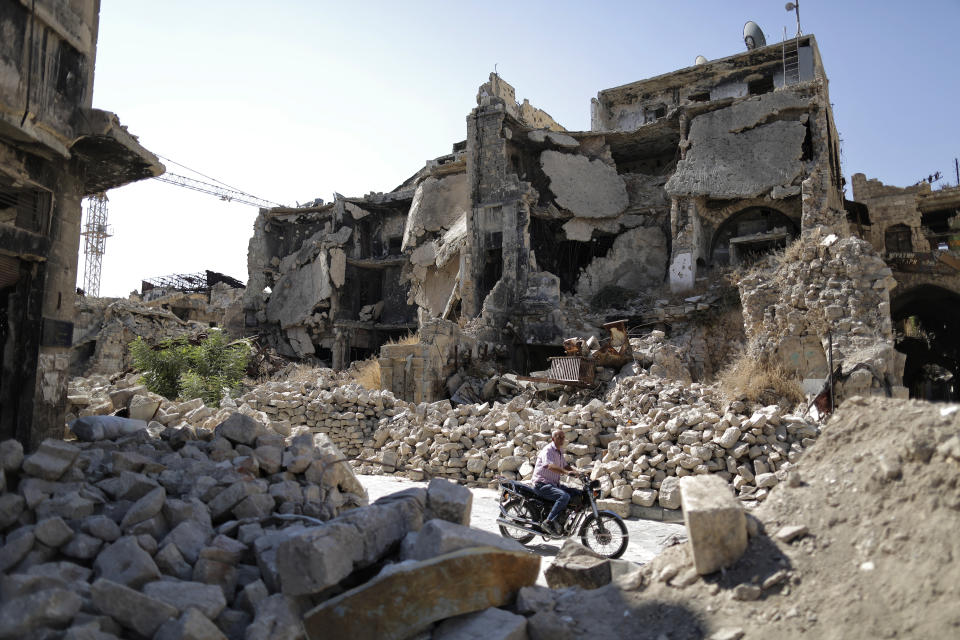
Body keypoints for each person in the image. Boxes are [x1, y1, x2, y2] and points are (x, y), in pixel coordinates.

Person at [532, 429, 578, 535]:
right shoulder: (548, 450)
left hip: (553, 484)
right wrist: (567, 473)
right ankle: (548, 522)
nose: (562, 439)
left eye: (563, 437)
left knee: (576, 492)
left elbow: (565, 465)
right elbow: (550, 466)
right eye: (559, 437)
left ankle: (561, 519)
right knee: (564, 496)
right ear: (553, 438)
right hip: (541, 484)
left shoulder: (559, 451)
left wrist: (577, 473)